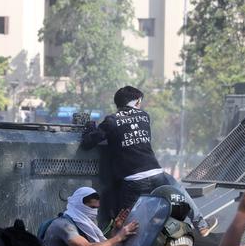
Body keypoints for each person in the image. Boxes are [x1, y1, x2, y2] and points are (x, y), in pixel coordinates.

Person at [81, 85, 217, 237]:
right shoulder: (145, 116)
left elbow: (88, 143)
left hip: (133, 182)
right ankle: (201, 225)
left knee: (128, 225)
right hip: (157, 176)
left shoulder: (111, 121)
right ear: (137, 101)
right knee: (180, 192)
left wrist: (89, 129)